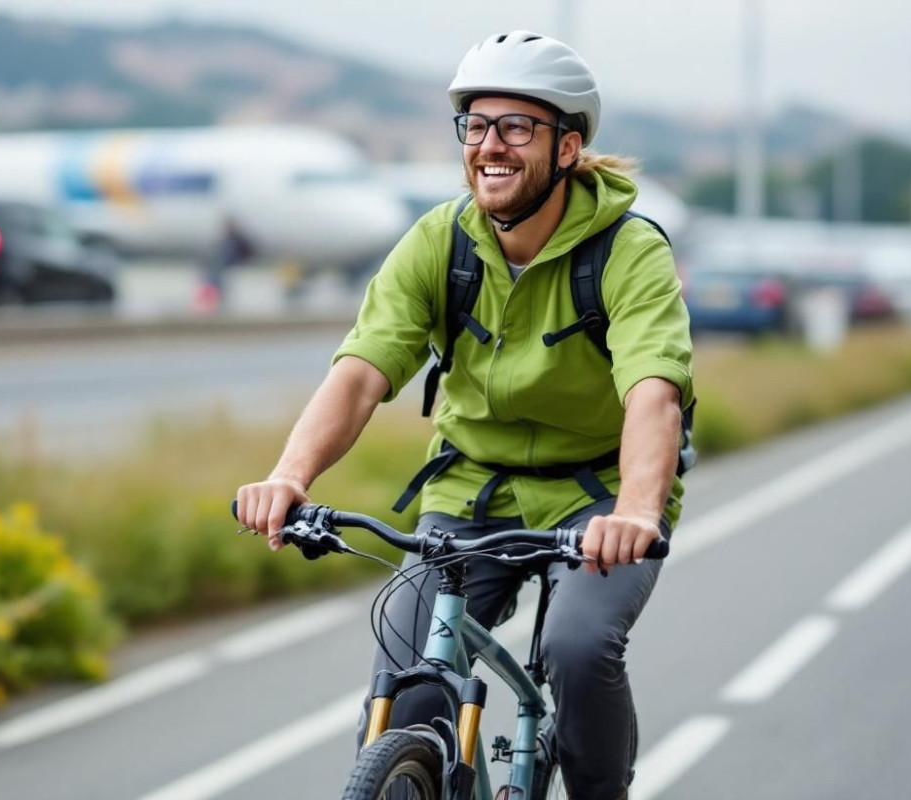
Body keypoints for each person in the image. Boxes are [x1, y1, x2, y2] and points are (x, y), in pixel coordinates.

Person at [235, 30, 693, 800]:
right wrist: (289, 475)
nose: (490, 146)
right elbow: (359, 372)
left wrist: (639, 510)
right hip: (470, 490)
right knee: (406, 674)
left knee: (579, 651)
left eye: (516, 127)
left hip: (599, 497)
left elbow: (654, 388)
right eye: (476, 126)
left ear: (569, 147)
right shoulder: (440, 241)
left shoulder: (628, 250)